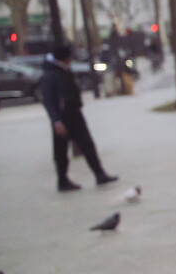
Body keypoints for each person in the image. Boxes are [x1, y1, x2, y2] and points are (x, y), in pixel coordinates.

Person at [40, 44, 118, 192]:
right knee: (61, 151)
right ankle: (62, 180)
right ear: (64, 57)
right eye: (70, 55)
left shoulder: (64, 69)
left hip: (74, 113)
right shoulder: (50, 74)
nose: (72, 57)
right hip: (62, 118)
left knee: (87, 144)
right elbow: (48, 101)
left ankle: (99, 174)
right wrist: (56, 121)